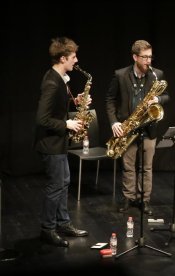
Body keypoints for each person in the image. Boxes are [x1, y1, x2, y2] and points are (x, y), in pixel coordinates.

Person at [35, 37, 90, 247]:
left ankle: (63, 223)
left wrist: (75, 102)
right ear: (63, 58)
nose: (76, 61)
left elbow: (57, 107)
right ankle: (47, 229)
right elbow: (42, 118)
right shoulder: (51, 82)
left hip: (58, 143)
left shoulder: (60, 78)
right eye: (73, 57)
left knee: (63, 183)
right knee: (55, 186)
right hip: (50, 144)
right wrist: (66, 124)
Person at [106, 40, 169, 215]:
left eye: (150, 57)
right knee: (128, 166)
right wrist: (114, 122)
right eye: (144, 57)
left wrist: (158, 100)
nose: (148, 61)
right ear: (135, 57)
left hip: (149, 128)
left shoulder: (157, 74)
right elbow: (110, 100)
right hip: (128, 127)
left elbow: (166, 96)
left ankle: (144, 200)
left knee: (146, 167)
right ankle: (128, 197)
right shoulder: (120, 75)